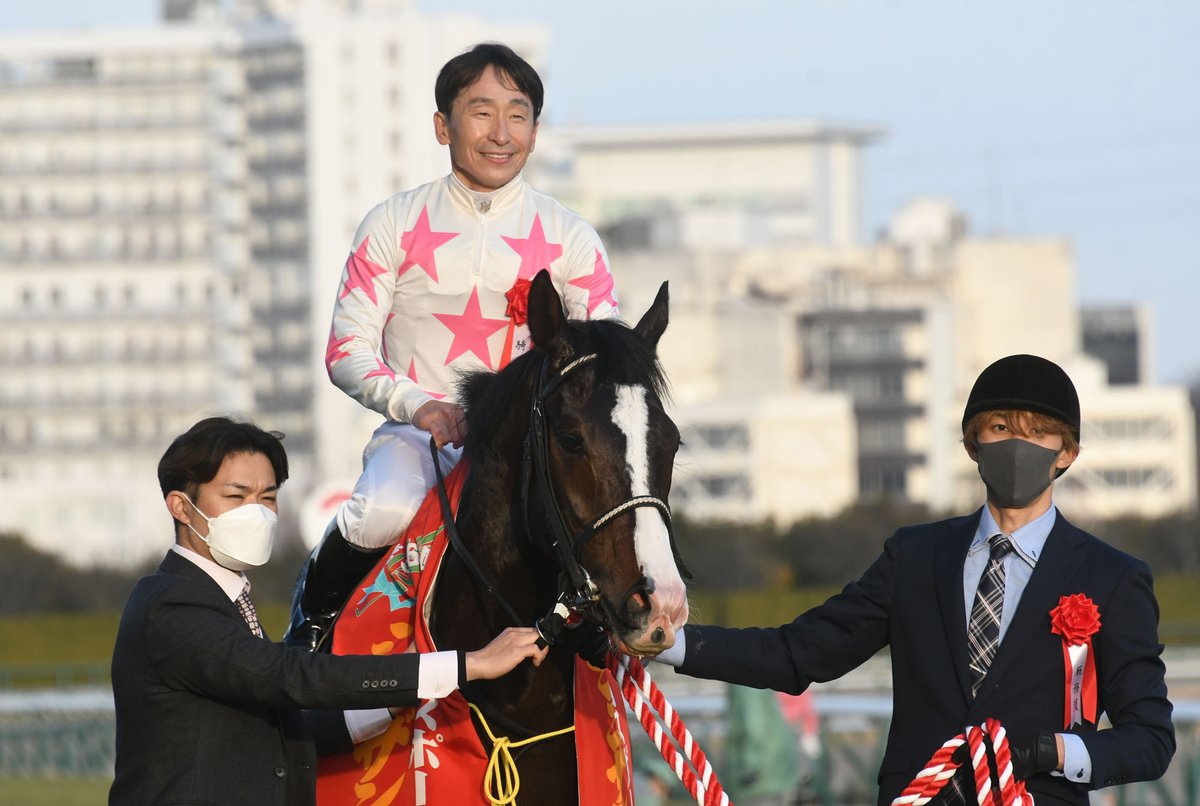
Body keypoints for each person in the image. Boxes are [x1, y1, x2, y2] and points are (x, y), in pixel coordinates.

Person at [656, 354, 1175, 805]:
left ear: (1067, 453)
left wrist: (1053, 751)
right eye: (1000, 429)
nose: (1018, 446)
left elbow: (1150, 739)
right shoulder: (914, 557)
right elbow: (798, 653)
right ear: (973, 443)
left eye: (1038, 433)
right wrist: (667, 641)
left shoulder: (1113, 577)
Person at [290, 41, 620, 648]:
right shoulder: (391, 222)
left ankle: (620, 637)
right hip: (420, 437)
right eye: (482, 112)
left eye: (517, 115)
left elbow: (604, 367)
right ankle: (309, 631)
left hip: (532, 448)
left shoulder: (571, 237)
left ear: (535, 132)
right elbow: (345, 352)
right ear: (443, 126)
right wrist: (421, 407)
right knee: (382, 510)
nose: (501, 133)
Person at [110, 416, 547, 806]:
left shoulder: (228, 600)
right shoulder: (170, 603)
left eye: (267, 497)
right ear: (181, 506)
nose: (256, 513)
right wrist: (464, 664)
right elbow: (288, 677)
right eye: (236, 495)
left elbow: (288, 735)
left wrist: (399, 697)